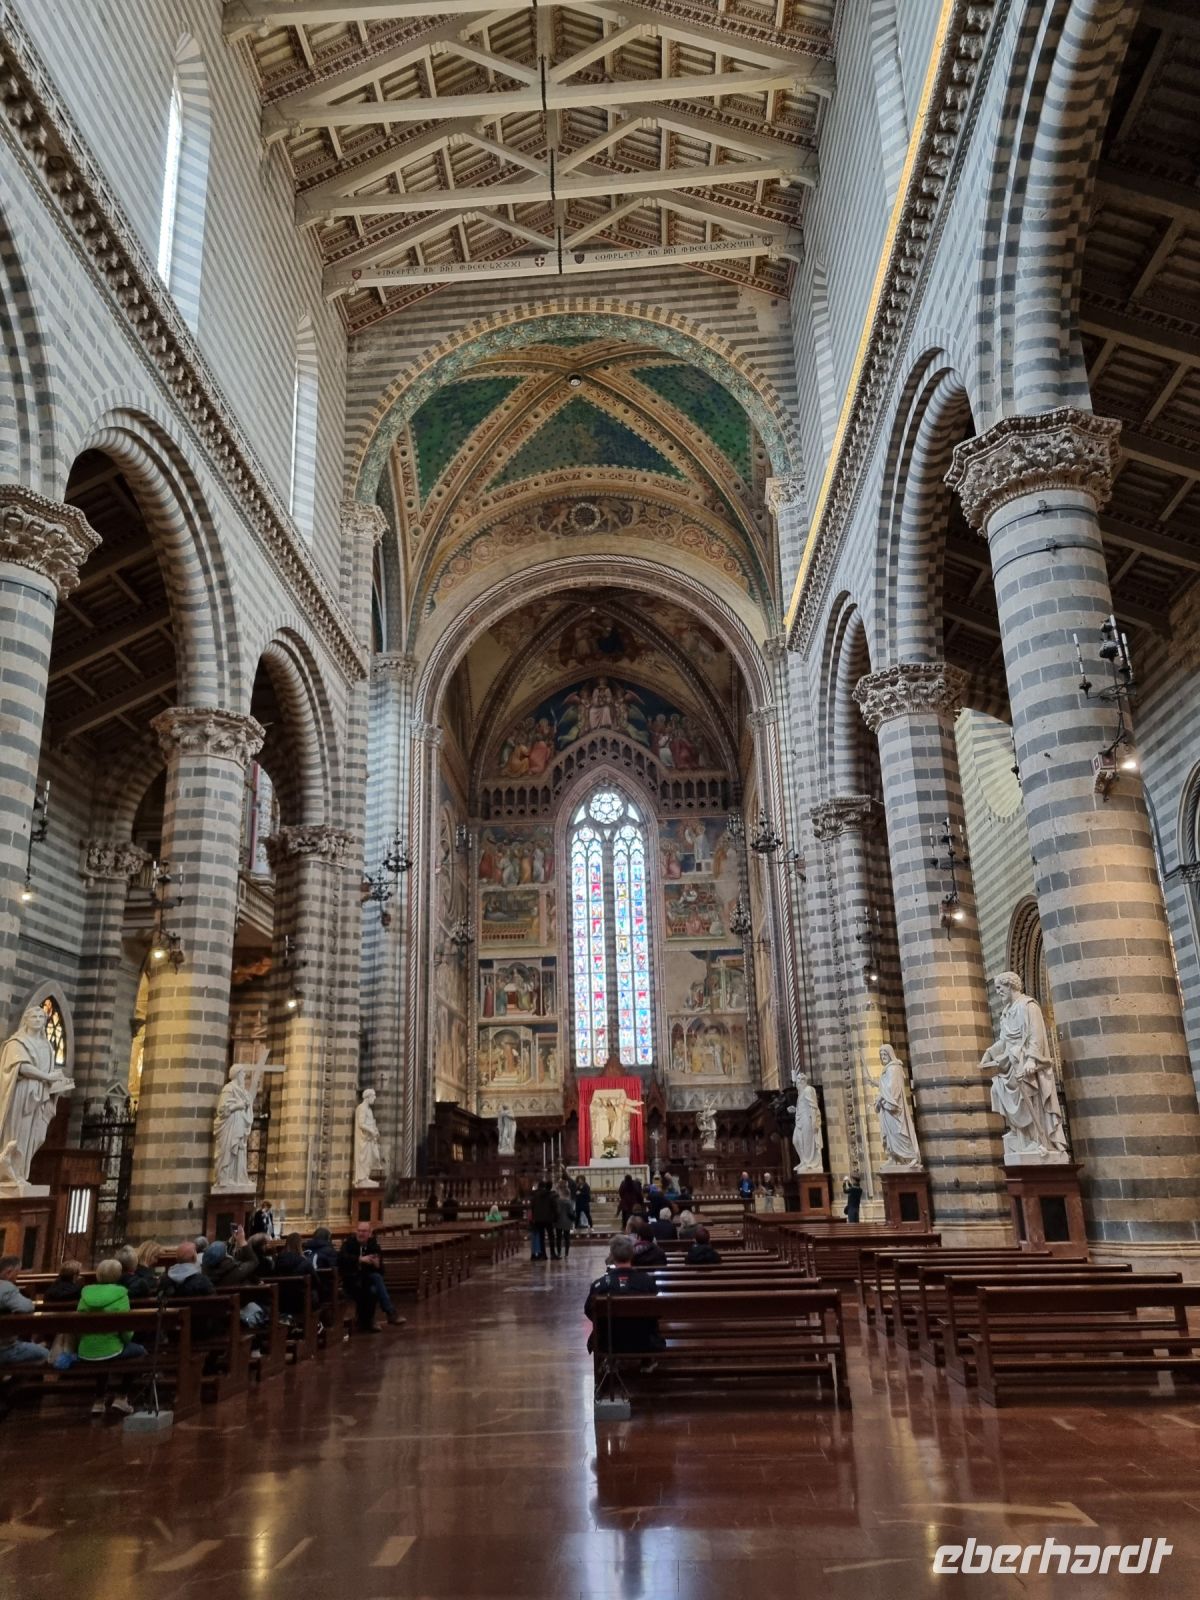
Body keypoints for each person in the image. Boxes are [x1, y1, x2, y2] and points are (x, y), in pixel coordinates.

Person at [77, 1257, 146, 1416]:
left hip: (86, 1350)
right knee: (140, 1352)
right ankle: (122, 1396)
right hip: (111, 1349)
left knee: (103, 1353)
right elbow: (126, 1330)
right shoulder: (121, 1294)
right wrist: (126, 1341)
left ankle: (99, 1401)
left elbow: (79, 1326)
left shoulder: (86, 1293)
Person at [584, 1235, 661, 1356]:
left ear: (612, 1256)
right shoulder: (647, 1281)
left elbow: (589, 1311)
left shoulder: (600, 1285)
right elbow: (657, 1310)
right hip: (644, 1340)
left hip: (610, 1342)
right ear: (632, 1255)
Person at [339, 1222, 404, 1332]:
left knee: (373, 1288)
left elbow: (381, 1271)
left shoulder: (374, 1246)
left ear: (370, 1233)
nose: (361, 1233)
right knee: (374, 1284)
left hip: (366, 1281)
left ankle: (368, 1321)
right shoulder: (348, 1244)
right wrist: (359, 1259)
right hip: (351, 1280)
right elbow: (342, 1259)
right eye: (359, 1231)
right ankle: (389, 1313)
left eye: (364, 1231)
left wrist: (377, 1265)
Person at [0, 1254, 49, 1366]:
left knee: (32, 1347)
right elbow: (27, 1307)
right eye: (17, 1274)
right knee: (45, 1354)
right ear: (8, 1272)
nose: (16, 1278)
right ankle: (15, 1383)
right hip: (4, 1350)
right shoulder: (6, 1288)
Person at [529, 1180, 558, 1260]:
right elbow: (554, 1207)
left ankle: (543, 1255)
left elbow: (532, 1207)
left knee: (541, 1238)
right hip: (548, 1219)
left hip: (538, 1219)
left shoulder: (535, 1196)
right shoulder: (550, 1195)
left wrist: (534, 1218)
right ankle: (552, 1254)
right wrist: (556, 1217)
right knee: (551, 1237)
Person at [554, 1183, 575, 1260]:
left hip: (558, 1221)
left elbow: (556, 1211)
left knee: (558, 1238)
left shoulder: (557, 1201)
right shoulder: (569, 1202)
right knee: (567, 1238)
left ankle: (559, 1252)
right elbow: (570, 1213)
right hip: (567, 1222)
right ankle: (566, 1253)